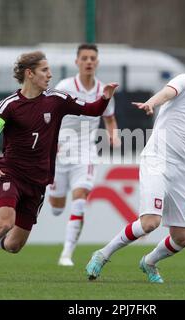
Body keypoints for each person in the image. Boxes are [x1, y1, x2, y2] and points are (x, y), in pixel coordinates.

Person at [0, 50, 118, 286]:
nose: (50, 75)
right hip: (10, 174)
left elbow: (92, 110)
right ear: (30, 74)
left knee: (13, 245)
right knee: (4, 223)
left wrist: (105, 97)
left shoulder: (57, 100)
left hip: (37, 182)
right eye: (44, 70)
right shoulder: (8, 106)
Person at [85, 45, 185, 283]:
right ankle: (102, 254)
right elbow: (167, 93)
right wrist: (151, 102)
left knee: (182, 238)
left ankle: (149, 262)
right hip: (157, 161)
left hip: (183, 172)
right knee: (150, 222)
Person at [49, 43, 120, 267]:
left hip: (86, 153)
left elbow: (109, 117)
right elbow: (49, 115)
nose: (89, 61)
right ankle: (56, 201)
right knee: (57, 208)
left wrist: (113, 136)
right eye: (85, 58)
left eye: (93, 58)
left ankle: (66, 254)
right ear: (77, 62)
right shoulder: (64, 86)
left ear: (97, 63)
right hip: (60, 153)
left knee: (79, 201)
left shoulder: (104, 90)